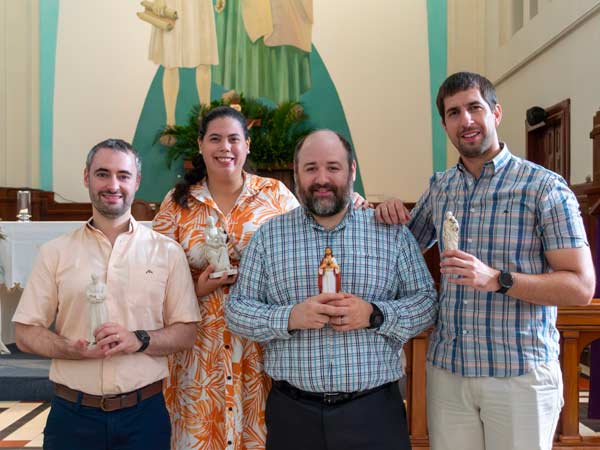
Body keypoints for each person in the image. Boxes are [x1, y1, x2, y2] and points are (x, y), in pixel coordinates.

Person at [375, 72, 596, 450]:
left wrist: (497, 279)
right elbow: (401, 250)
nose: (466, 120)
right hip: (449, 374)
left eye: (474, 107)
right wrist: (384, 211)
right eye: (453, 113)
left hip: (519, 375)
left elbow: (580, 286)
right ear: (444, 125)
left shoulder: (543, 187)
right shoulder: (441, 187)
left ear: (496, 113)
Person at [225, 129, 438, 450]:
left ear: (352, 170)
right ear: (296, 173)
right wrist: (289, 318)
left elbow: (427, 303)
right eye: (311, 168)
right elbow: (237, 310)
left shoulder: (390, 234)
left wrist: (375, 314)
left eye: (333, 167)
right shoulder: (269, 237)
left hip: (373, 412)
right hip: (293, 415)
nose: (322, 179)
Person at [12, 139, 201, 450]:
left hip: (144, 416)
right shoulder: (55, 252)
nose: (113, 185)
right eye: (103, 174)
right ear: (86, 177)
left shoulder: (166, 252)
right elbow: (25, 332)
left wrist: (139, 340)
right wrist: (69, 348)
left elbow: (187, 332)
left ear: (137, 181)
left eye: (123, 175)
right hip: (72, 416)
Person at [152, 106, 300, 450]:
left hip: (260, 345)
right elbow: (153, 277)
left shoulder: (275, 195)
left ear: (247, 145)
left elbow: (305, 253)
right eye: (215, 139)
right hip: (199, 351)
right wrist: (197, 288)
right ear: (201, 145)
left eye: (234, 139)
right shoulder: (178, 203)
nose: (225, 147)